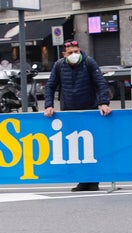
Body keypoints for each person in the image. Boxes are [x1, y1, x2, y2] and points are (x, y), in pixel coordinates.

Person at [42, 39, 112, 192]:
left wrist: (104, 102)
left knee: (91, 148)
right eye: (70, 53)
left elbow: (101, 83)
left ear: (80, 50)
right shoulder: (59, 65)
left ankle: (93, 181)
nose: (74, 55)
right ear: (64, 54)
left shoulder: (89, 62)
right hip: (70, 113)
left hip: (89, 111)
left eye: (76, 52)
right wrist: (49, 105)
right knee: (76, 149)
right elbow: (50, 86)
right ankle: (82, 181)